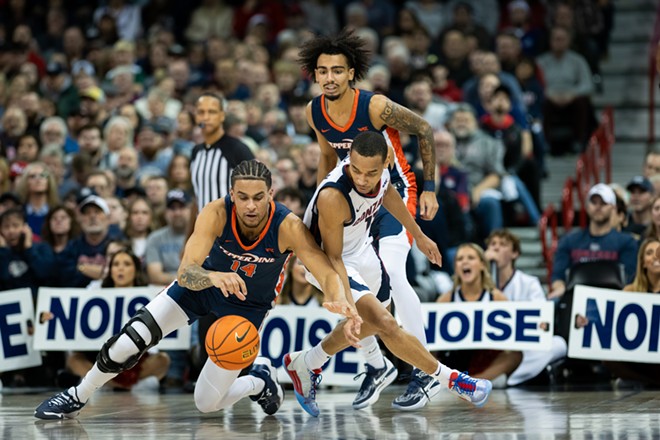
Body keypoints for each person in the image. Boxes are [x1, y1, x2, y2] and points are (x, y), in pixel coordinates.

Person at [35, 159, 361, 420]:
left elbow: (324, 269)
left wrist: (335, 295)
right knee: (130, 339)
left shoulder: (287, 226)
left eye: (258, 198)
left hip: (246, 307)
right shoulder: (216, 213)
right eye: (243, 197)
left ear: (270, 194)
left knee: (206, 404)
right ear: (232, 194)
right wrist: (214, 277)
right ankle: (77, 395)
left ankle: (258, 379)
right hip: (201, 287)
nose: (250, 206)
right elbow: (186, 271)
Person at [283, 132, 491, 417]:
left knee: (375, 323)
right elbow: (333, 257)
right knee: (385, 322)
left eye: (371, 172)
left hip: (362, 248)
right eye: (356, 170)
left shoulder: (379, 175)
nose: (363, 179)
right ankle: (452, 380)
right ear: (349, 162)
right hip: (329, 260)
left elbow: (390, 196)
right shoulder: (333, 196)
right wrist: (350, 306)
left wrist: (418, 235)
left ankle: (308, 362)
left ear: (386, 164)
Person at [298, 27, 443, 410]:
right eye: (323, 71)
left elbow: (424, 129)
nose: (329, 77)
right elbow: (328, 159)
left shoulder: (375, 106)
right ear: (315, 75)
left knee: (395, 273)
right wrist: (319, 206)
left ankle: (426, 373)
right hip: (353, 201)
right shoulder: (314, 111)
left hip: (394, 191)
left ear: (351, 74)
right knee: (350, 285)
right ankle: (377, 366)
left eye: (337, 70)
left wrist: (429, 188)